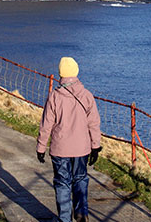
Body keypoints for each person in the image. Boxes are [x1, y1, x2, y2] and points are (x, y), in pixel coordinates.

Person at [36, 57, 102, 222]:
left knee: (62, 183)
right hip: (82, 149)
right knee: (80, 179)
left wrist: (41, 148)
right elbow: (94, 123)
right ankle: (81, 214)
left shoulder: (54, 97)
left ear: (60, 73)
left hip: (61, 149)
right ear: (76, 72)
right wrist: (96, 146)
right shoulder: (87, 96)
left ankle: (64, 219)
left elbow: (46, 125)